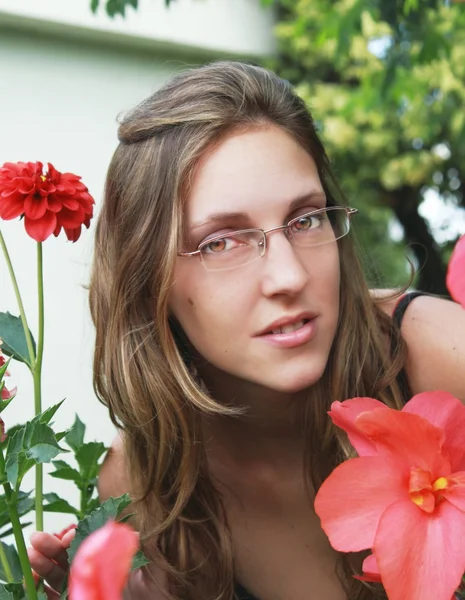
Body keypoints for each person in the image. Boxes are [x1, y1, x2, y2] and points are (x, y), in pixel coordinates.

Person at [28, 61, 465, 600]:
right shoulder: (140, 481)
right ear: (149, 281)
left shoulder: (441, 356)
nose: (290, 275)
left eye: (305, 219)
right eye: (221, 241)